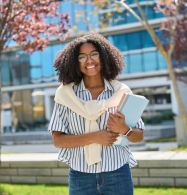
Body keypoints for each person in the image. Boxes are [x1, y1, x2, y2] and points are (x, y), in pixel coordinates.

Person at [48, 32, 144, 195]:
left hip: (118, 174)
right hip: (80, 177)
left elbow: (139, 136)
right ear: (74, 62)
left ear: (104, 57)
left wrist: (124, 129)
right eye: (82, 57)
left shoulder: (121, 92)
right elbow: (58, 140)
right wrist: (94, 137)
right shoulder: (65, 95)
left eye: (94, 54)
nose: (89, 61)